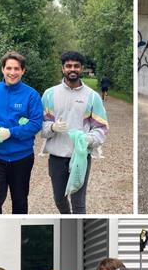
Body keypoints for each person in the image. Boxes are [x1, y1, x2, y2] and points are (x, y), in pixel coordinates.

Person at [0, 51, 43, 214]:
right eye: (9, 68)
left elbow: (35, 123)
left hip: (22, 157)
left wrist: (11, 132)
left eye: (17, 69)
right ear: (2, 69)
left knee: (19, 202)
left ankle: (18, 237)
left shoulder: (31, 95)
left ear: (23, 71)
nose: (12, 72)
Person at [40, 51, 109, 214]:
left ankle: (78, 232)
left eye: (76, 66)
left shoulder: (92, 97)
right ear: (63, 68)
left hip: (81, 156)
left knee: (79, 202)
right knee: (59, 198)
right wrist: (52, 127)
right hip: (57, 156)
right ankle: (67, 219)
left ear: (82, 68)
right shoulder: (49, 94)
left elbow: (102, 127)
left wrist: (88, 139)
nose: (72, 69)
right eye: (68, 66)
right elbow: (41, 126)